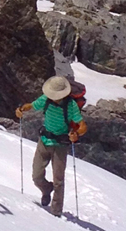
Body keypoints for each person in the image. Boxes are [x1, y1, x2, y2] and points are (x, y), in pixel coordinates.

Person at [16, 76, 84, 217]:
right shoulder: (45, 99)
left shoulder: (70, 105)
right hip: (44, 141)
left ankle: (56, 211)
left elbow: (82, 126)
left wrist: (76, 134)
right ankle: (46, 189)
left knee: (59, 180)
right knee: (36, 175)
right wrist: (22, 109)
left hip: (60, 145)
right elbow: (32, 105)